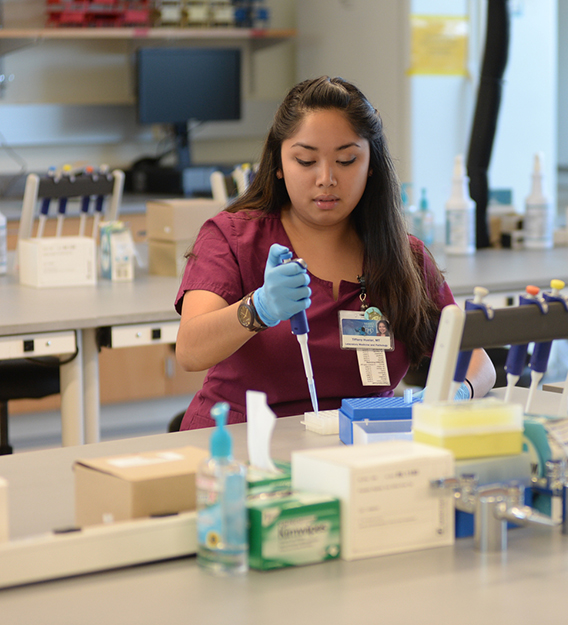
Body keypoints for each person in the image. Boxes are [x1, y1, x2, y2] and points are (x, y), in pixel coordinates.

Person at [174, 76, 495, 429]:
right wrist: (259, 308)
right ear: (279, 163)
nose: (326, 178)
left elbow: (477, 361)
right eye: (306, 161)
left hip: (362, 444)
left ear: (371, 165)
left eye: (346, 160)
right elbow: (190, 350)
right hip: (246, 444)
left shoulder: (405, 259)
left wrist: (457, 391)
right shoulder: (233, 238)